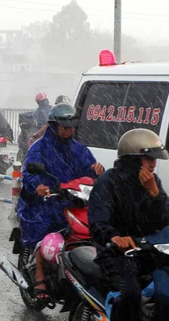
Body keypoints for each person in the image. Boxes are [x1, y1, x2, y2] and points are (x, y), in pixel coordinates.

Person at [88, 128, 169, 321]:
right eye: (149, 159)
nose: (153, 164)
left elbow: (166, 218)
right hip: (116, 253)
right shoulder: (108, 183)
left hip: (147, 249)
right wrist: (114, 237)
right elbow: (98, 223)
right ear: (134, 158)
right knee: (131, 292)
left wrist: (154, 195)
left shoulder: (152, 183)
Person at [16, 104, 104, 300]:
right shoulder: (39, 148)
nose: (69, 131)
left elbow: (89, 170)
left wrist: (97, 170)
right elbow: (29, 173)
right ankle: (39, 274)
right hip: (45, 202)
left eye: (71, 127)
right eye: (65, 127)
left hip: (72, 200)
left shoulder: (79, 149)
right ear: (54, 126)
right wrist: (38, 186)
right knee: (45, 230)